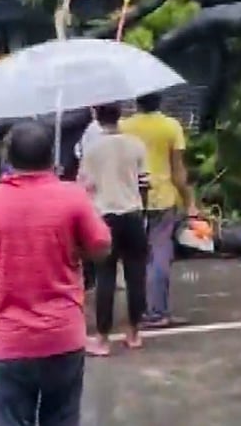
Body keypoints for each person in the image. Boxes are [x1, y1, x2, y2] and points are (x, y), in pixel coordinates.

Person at [0, 121, 111, 426]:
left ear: (8, 159)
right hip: (64, 336)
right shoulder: (73, 197)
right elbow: (102, 247)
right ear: (51, 157)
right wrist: (76, 246)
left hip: (10, 341)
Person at [77, 103, 149, 356]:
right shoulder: (135, 144)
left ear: (96, 116)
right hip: (133, 214)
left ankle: (103, 338)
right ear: (120, 115)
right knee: (136, 274)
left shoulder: (92, 150)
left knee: (105, 277)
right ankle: (134, 332)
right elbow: (144, 182)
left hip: (104, 217)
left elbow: (83, 188)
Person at [120, 92, 196, 329]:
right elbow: (178, 172)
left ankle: (138, 311)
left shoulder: (122, 127)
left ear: (136, 101)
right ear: (160, 100)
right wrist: (190, 201)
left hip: (130, 197)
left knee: (135, 255)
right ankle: (157, 311)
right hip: (162, 197)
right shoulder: (170, 127)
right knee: (160, 254)